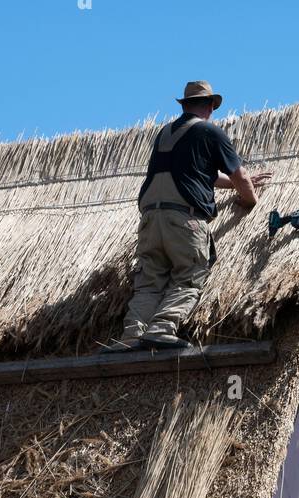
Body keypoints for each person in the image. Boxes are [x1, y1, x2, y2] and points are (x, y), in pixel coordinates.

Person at [105, 80, 270, 351]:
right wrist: (250, 199)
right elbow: (239, 176)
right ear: (209, 106)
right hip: (183, 220)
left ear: (185, 106)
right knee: (190, 274)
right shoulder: (210, 132)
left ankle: (132, 335)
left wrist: (233, 184)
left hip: (150, 219)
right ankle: (162, 327)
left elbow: (196, 174)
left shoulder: (166, 133)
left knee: (149, 282)